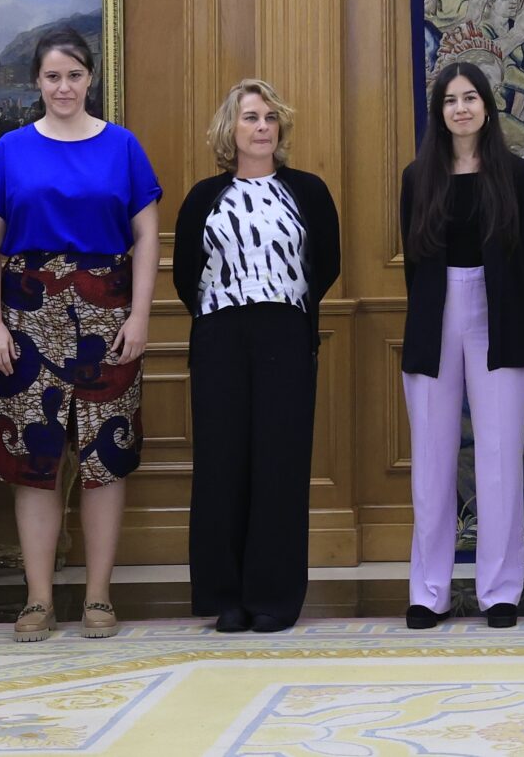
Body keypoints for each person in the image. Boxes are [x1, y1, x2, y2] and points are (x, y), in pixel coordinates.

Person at [0, 29, 161, 641]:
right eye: (52, 76)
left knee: (105, 457)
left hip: (108, 314)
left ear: (90, 79)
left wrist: (139, 316)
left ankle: (99, 596)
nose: (63, 87)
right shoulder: (11, 149)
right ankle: (38, 600)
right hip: (27, 316)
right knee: (35, 459)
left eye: (74, 75)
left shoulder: (123, 146)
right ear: (37, 81)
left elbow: (148, 238)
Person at [174, 79, 342, 633]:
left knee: (280, 463)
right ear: (231, 129)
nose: (262, 127)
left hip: (285, 334)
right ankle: (225, 596)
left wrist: (280, 306)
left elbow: (328, 262)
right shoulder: (204, 196)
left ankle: (273, 596)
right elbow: (185, 274)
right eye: (251, 117)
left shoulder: (308, 191)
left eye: (270, 118)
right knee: (221, 464)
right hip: (220, 335)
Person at [395, 63, 524, 630]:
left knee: (500, 456)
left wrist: (506, 307)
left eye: (471, 97)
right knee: (431, 461)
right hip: (434, 315)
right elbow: (414, 260)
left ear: (486, 106)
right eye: (451, 100)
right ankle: (428, 591)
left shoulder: (514, 173)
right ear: (439, 112)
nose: (461, 108)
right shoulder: (417, 177)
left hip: (498, 315)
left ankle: (499, 591)